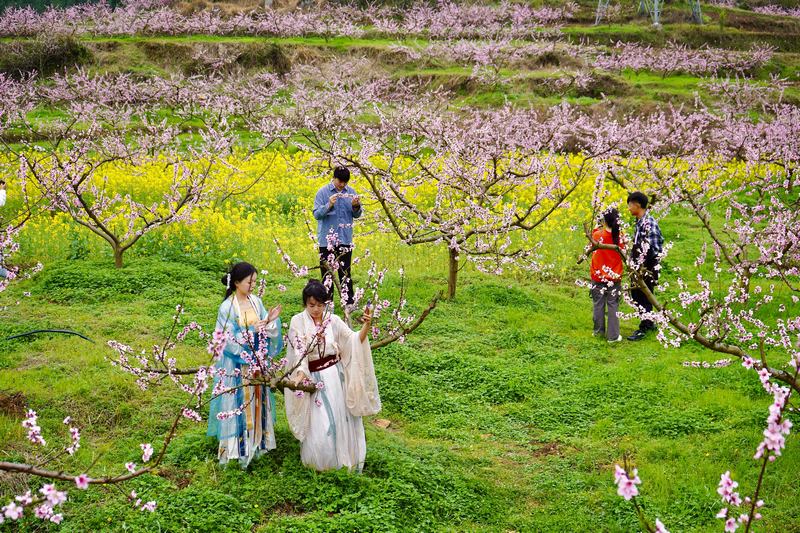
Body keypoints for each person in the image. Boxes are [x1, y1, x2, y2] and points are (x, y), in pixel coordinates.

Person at [283, 279, 381, 472]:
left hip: (336, 377)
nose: (316, 309)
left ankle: (346, 460)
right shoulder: (297, 321)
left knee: (341, 417)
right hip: (314, 377)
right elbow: (299, 352)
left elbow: (352, 340)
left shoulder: (332, 320)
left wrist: (366, 327)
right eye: (312, 305)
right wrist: (300, 375)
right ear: (305, 303)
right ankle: (322, 463)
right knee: (320, 423)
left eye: (320, 305)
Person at [207, 262, 283, 468]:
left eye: (255, 282)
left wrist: (269, 322)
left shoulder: (256, 301)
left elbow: (265, 327)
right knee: (237, 404)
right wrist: (251, 333)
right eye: (250, 282)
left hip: (257, 361)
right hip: (236, 367)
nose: (253, 286)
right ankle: (236, 449)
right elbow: (225, 339)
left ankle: (259, 443)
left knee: (258, 401)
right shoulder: (227, 307)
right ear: (237, 282)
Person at [313, 166, 362, 306]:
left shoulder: (351, 192)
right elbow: (317, 214)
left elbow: (357, 215)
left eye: (345, 182)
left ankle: (348, 304)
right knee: (327, 274)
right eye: (340, 181)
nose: (342, 185)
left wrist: (356, 206)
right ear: (334, 178)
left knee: (345, 273)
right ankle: (328, 304)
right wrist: (329, 204)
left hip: (345, 239)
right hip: (326, 241)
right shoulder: (323, 193)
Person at [626, 191, 664, 341]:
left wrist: (641, 266)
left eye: (629, 205)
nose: (628, 208)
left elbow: (654, 247)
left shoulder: (649, 223)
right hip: (639, 266)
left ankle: (645, 326)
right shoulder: (640, 221)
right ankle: (648, 322)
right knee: (638, 294)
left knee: (642, 295)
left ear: (637, 205)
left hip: (646, 267)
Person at [590, 208, 625, 343]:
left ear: (604, 220)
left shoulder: (597, 234)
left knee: (598, 304)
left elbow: (592, 240)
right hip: (614, 277)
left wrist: (597, 228)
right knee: (613, 305)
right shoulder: (621, 236)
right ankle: (613, 336)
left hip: (598, 275)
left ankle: (598, 332)